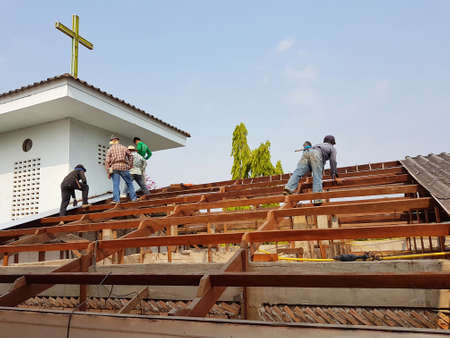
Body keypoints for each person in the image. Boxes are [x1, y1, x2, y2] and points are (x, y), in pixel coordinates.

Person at [284, 135, 339, 204]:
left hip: (307, 152)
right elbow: (333, 161)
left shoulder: (319, 145)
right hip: (316, 154)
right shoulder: (332, 148)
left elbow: (312, 164)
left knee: (298, 172)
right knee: (317, 176)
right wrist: (334, 175)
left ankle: (288, 188)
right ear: (332, 142)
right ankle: (317, 199)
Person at [105, 135, 137, 203]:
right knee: (129, 183)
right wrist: (130, 165)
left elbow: (107, 162)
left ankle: (116, 200)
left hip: (114, 167)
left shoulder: (110, 149)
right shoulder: (124, 147)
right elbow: (131, 156)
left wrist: (108, 172)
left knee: (116, 184)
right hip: (124, 167)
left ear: (112, 142)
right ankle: (134, 198)